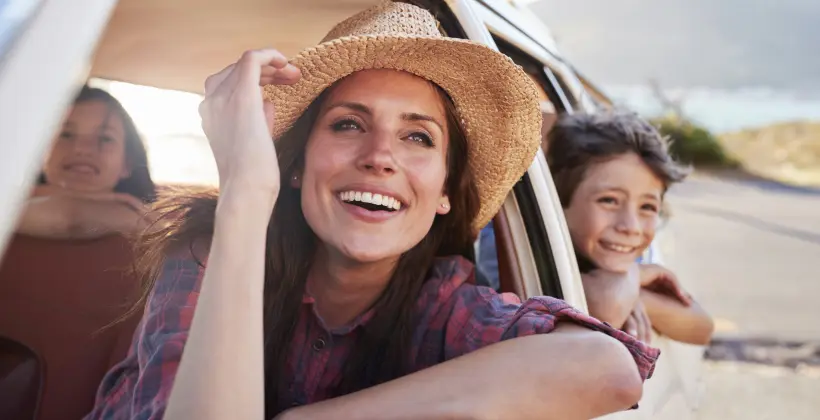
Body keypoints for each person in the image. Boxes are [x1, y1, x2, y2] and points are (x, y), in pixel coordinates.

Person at [86, 3, 659, 419]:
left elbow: (608, 368)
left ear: (443, 193)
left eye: (418, 138)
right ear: (293, 164)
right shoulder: (209, 255)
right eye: (348, 125)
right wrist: (243, 194)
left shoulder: (444, 306)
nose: (380, 156)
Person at [0, 85, 156, 420]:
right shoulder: (9, 199)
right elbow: (65, 219)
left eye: (104, 139)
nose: (83, 148)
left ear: (127, 163)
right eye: (65, 133)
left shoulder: (151, 236)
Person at [547, 111, 714, 346]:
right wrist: (637, 277)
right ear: (557, 201)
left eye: (647, 206)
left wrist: (634, 292)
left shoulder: (626, 252)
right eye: (609, 200)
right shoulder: (519, 250)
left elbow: (702, 328)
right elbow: (607, 310)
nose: (631, 227)